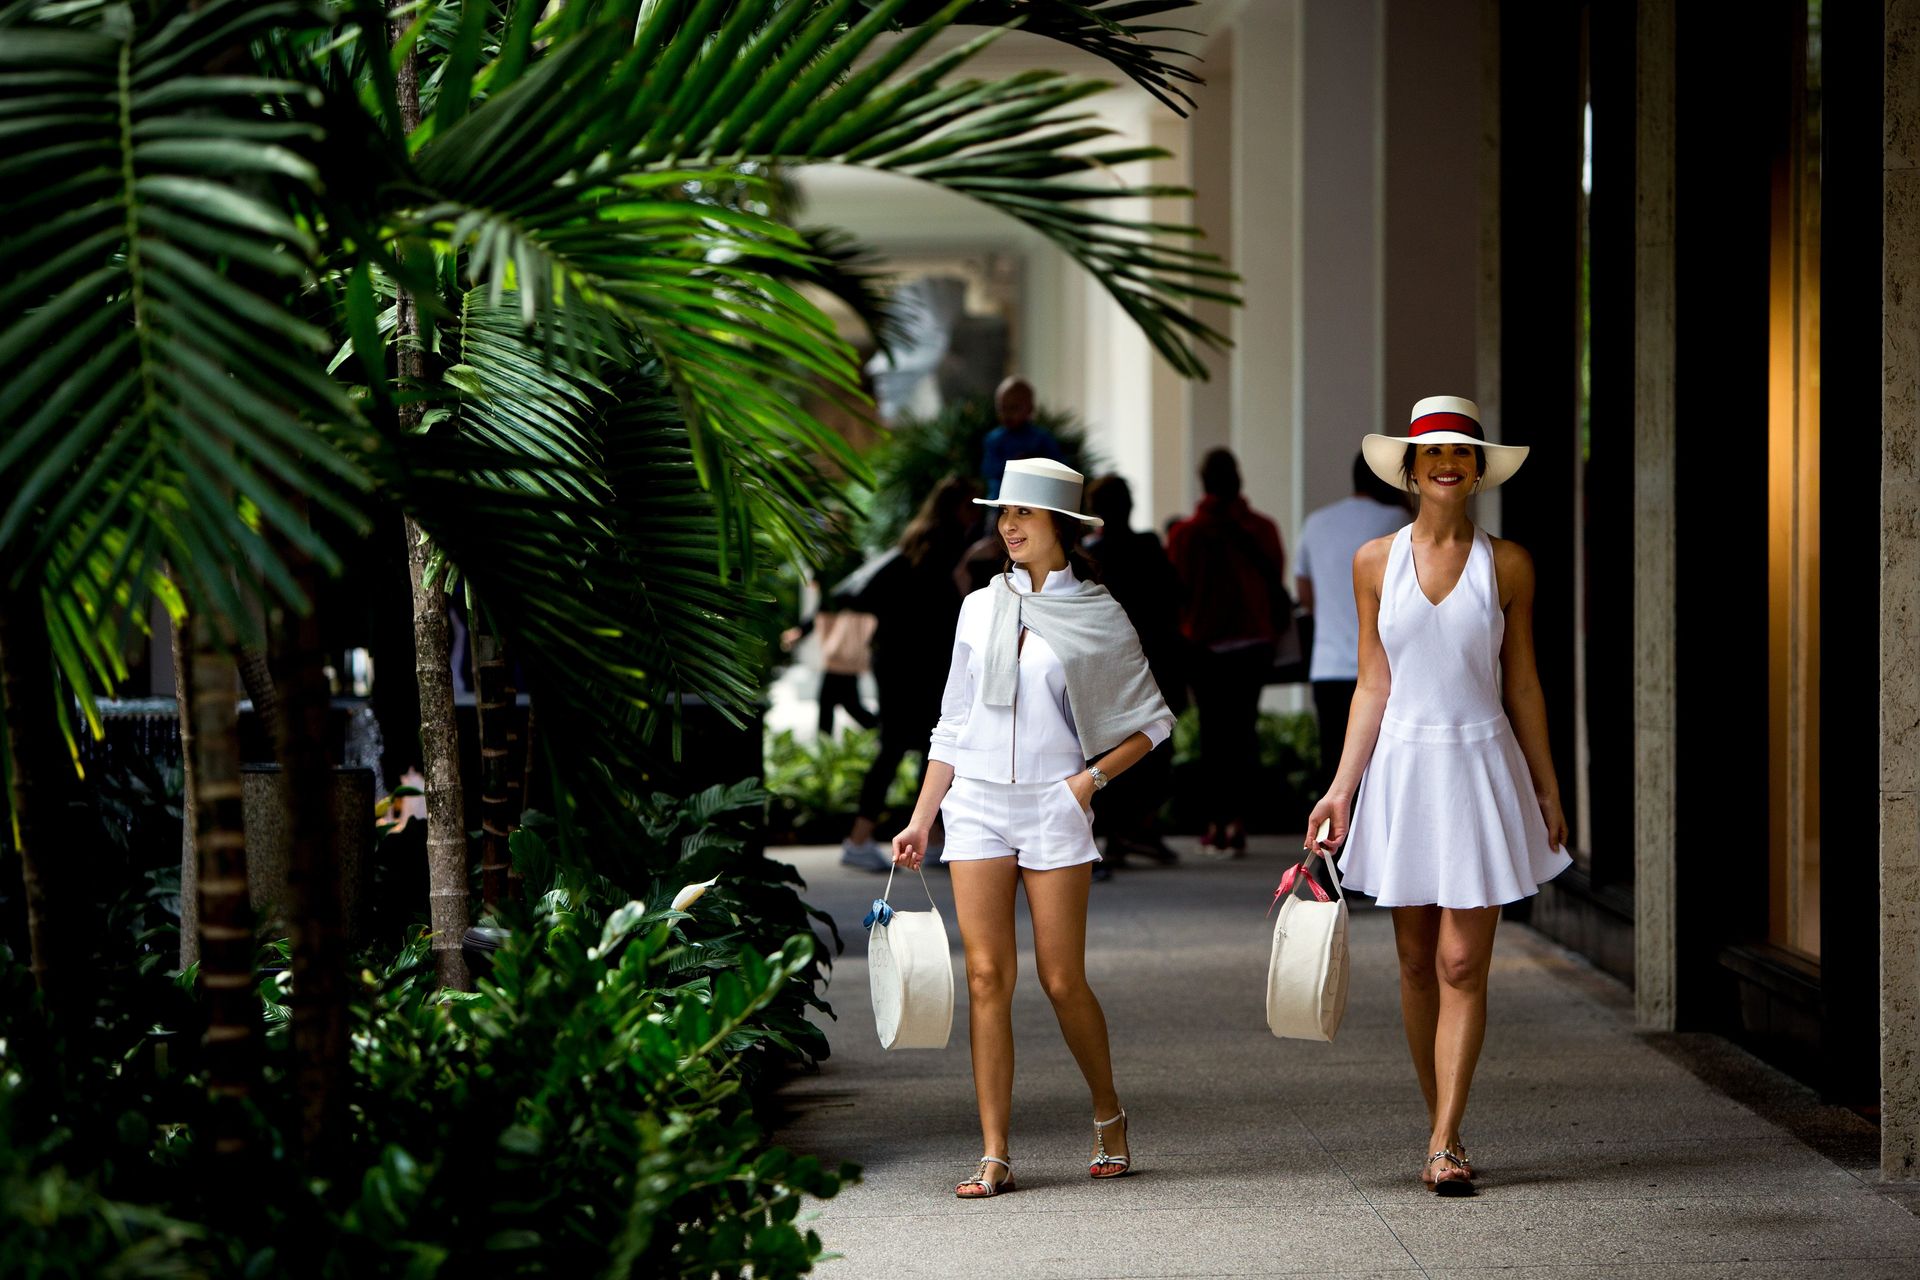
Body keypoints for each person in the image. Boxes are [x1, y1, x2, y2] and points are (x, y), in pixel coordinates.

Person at [1305, 396, 1572, 1197]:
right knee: (1418, 964)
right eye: (1431, 454)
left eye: (1461, 452)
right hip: (1402, 771)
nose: (1447, 463)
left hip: (1480, 769)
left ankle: (1447, 1137)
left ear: (1478, 468)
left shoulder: (1511, 563)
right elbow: (1371, 685)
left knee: (1462, 961)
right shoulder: (1371, 562)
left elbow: (1521, 682)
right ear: (1412, 471)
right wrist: (1340, 788)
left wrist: (1548, 785)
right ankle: (1440, 1130)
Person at [890, 458, 1174, 1198]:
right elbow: (952, 721)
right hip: (976, 804)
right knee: (987, 976)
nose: (1009, 527)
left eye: (1025, 514)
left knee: (1059, 978)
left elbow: (1152, 723)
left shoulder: (1096, 611)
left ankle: (1108, 1113)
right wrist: (922, 818)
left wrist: (1087, 782)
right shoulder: (979, 607)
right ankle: (994, 1153)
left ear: (1061, 528)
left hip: (1054, 804)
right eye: (1004, 513)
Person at [838, 477, 976, 872]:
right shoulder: (949, 545)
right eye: (970, 505)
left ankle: (888, 837)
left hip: (897, 662)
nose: (975, 515)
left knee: (903, 746)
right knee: (916, 747)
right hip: (923, 664)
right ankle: (866, 838)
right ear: (956, 507)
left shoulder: (915, 540)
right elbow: (948, 605)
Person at [1165, 448, 1287, 854]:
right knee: (1243, 732)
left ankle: (1216, 823)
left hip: (1205, 647)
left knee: (1213, 736)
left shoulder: (1185, 535)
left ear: (1203, 482)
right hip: (1253, 644)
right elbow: (1276, 579)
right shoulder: (1262, 529)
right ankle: (1238, 822)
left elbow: (1175, 593)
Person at [1080, 476, 1186, 869]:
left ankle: (1116, 830)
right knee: (1155, 746)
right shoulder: (1148, 548)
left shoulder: (1091, 557)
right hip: (1154, 660)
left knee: (1109, 745)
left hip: (1109, 665)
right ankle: (1138, 826)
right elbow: (1175, 598)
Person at [1295, 453, 1410, 794]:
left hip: (1328, 665)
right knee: (1380, 771)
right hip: (1384, 667)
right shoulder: (1399, 519)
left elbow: (1304, 594)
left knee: (1335, 768)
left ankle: (1337, 847)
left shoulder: (1316, 522)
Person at [979, 376, 1066, 500]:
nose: (1007, 414)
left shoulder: (1041, 438)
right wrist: (1014, 464)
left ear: (1030, 408)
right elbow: (988, 469)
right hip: (1001, 501)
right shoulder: (994, 439)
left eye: (1014, 408)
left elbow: (1059, 466)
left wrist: (1036, 462)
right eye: (1002, 408)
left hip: (1035, 499)